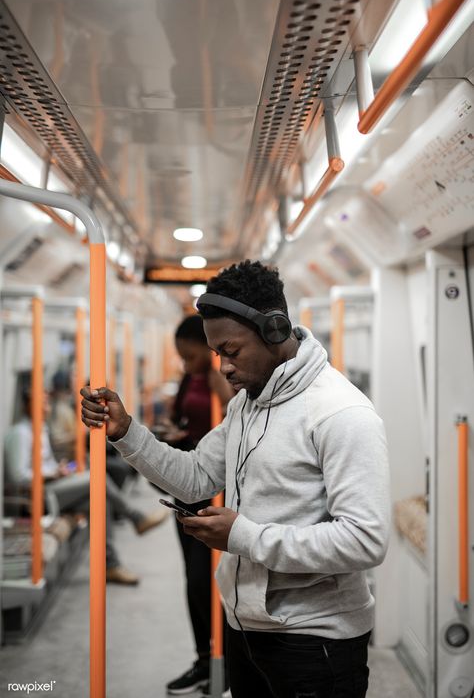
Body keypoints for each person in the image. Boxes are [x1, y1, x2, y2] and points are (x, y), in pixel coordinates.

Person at [81, 260, 390, 698]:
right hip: (244, 626)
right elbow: (194, 478)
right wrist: (126, 431)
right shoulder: (247, 404)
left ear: (275, 331)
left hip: (316, 641)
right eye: (217, 354)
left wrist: (242, 535)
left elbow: (365, 540)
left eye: (232, 351)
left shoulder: (342, 415)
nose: (223, 367)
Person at [4, 388, 168, 586]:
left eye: (47, 401)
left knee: (99, 501)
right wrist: (52, 474)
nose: (46, 405)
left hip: (54, 487)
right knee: (96, 477)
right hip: (38, 496)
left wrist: (60, 469)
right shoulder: (21, 433)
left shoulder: (40, 428)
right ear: (27, 405)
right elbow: (19, 476)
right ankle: (136, 517)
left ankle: (111, 565)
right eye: (41, 401)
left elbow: (44, 464)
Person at [159, 315, 233, 696]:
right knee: (193, 579)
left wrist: (216, 370)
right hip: (187, 481)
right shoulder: (191, 378)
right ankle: (203, 657)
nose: (186, 365)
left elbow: (235, 415)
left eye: (191, 356)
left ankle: (222, 658)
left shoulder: (226, 377)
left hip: (216, 488)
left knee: (208, 578)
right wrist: (175, 432)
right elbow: (180, 416)